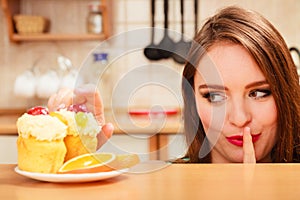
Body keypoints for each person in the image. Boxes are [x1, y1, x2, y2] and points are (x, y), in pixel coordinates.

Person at [48, 6, 299, 163]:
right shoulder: (171, 184)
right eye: (214, 96)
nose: (239, 118)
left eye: (258, 93)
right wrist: (75, 162)